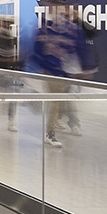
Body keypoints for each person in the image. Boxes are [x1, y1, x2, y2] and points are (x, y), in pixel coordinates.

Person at [26, 10, 74, 148]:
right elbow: (37, 54)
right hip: (51, 74)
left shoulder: (66, 36)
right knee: (54, 104)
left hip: (63, 75)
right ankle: (50, 133)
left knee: (59, 104)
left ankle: (53, 128)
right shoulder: (44, 35)